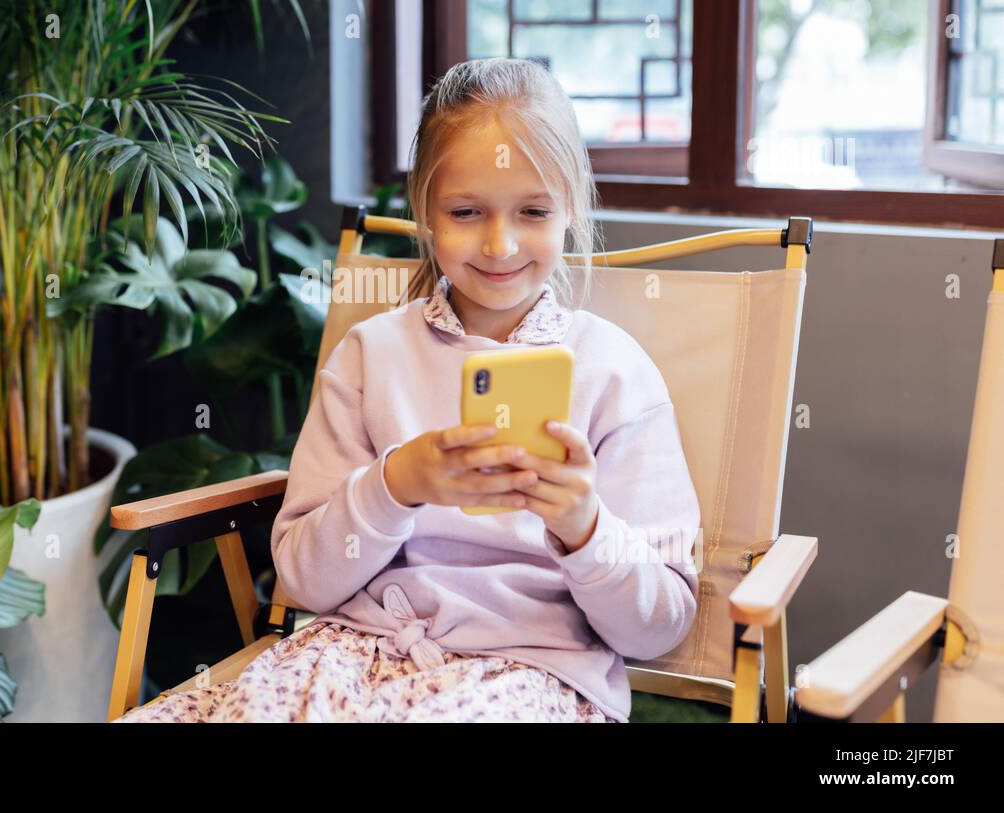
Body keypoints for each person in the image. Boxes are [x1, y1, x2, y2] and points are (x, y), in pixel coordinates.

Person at [117, 57, 702, 723]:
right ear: (425, 210)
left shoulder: (614, 373)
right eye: (466, 210)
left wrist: (584, 528)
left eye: (533, 210)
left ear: (570, 206)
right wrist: (393, 483)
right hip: (346, 658)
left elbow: (660, 627)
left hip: (527, 677)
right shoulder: (371, 355)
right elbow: (303, 578)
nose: (501, 242)